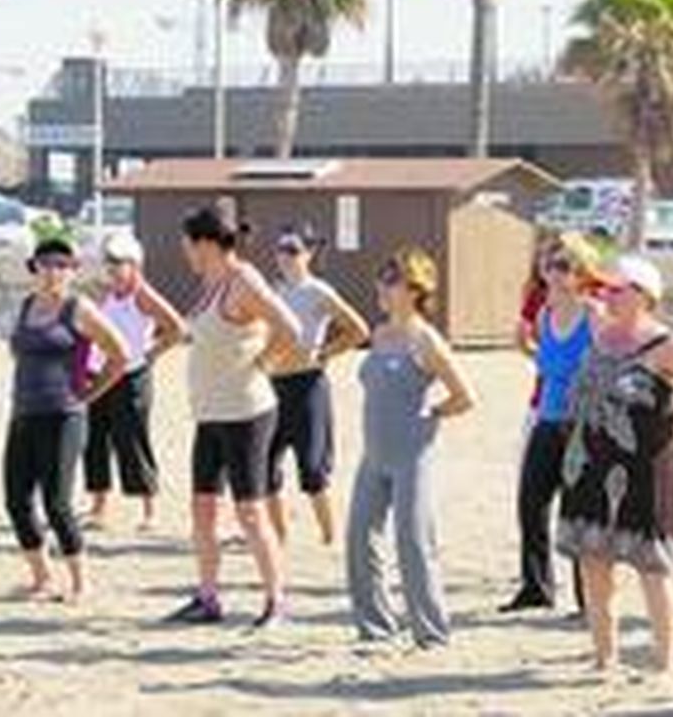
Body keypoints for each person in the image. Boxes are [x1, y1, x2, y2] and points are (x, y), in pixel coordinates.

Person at [557, 255, 673, 677]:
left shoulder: (662, 343)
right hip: (590, 462)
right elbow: (569, 292)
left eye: (618, 289)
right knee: (593, 560)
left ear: (643, 296)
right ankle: (604, 658)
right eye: (608, 289)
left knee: (651, 565)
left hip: (644, 466)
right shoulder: (599, 331)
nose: (608, 295)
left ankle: (664, 664)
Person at [169, 207, 302, 628]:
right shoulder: (209, 282)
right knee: (203, 508)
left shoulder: (243, 280)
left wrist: (265, 361)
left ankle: (276, 601)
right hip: (210, 413)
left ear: (206, 243)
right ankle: (208, 598)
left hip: (245, 412)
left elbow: (291, 328)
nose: (185, 251)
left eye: (188, 243)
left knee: (250, 511)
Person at [346, 247, 477, 649]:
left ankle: (431, 632)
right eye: (382, 278)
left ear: (415, 289)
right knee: (359, 537)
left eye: (391, 280)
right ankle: (375, 627)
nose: (381, 287)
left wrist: (431, 414)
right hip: (374, 453)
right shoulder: (380, 333)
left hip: (411, 455)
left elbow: (464, 397)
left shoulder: (425, 340)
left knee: (413, 542)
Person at [5, 238, 129, 604]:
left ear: (73, 272)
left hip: (63, 416)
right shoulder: (27, 305)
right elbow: (18, 350)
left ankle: (80, 581)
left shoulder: (79, 308)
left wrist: (89, 394)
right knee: (16, 499)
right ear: (34, 269)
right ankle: (42, 578)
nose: (53, 272)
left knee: (56, 502)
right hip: (24, 411)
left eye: (62, 266)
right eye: (45, 265)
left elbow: (120, 355)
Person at [499, 232, 602, 614]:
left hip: (582, 425)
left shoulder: (593, 314)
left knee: (577, 512)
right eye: (549, 265)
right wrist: (527, 348)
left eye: (564, 266)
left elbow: (613, 360)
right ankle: (536, 588)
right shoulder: (543, 315)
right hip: (546, 418)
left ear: (580, 273)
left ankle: (588, 598)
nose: (554, 273)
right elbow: (544, 358)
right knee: (531, 503)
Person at [265, 226, 370, 546]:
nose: (286, 257)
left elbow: (359, 329)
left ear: (309, 255)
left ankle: (328, 538)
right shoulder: (271, 291)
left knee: (312, 469)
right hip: (272, 386)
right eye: (281, 250)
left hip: (308, 385)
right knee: (265, 465)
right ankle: (279, 536)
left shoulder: (318, 291)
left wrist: (326, 352)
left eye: (293, 250)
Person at [82, 232, 188, 534]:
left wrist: (150, 353)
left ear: (135, 265)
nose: (113, 268)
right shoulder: (105, 293)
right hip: (100, 374)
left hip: (131, 377)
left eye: (119, 262)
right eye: (109, 262)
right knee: (95, 440)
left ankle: (149, 510)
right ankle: (98, 508)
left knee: (132, 441)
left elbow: (177, 328)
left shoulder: (142, 294)